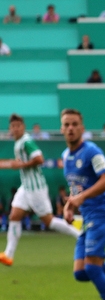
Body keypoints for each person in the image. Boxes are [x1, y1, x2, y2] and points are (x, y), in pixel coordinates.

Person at [0, 113, 81, 267]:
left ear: (23, 127)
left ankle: (80, 236)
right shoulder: (18, 143)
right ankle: (8, 255)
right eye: (13, 126)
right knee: (14, 216)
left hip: (36, 188)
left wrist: (21, 165)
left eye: (18, 126)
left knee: (49, 221)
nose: (16, 129)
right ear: (10, 128)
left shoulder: (26, 142)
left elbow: (39, 159)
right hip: (26, 187)